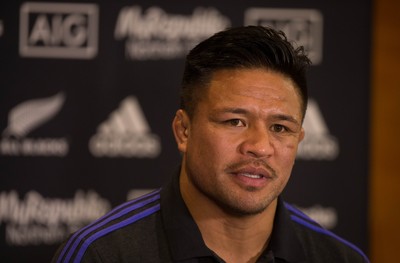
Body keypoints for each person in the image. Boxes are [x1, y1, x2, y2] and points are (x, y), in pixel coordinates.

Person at [52, 26, 369, 263]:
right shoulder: (100, 254)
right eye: (235, 122)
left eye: (280, 127)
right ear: (183, 131)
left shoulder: (340, 258)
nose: (259, 146)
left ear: (299, 140)